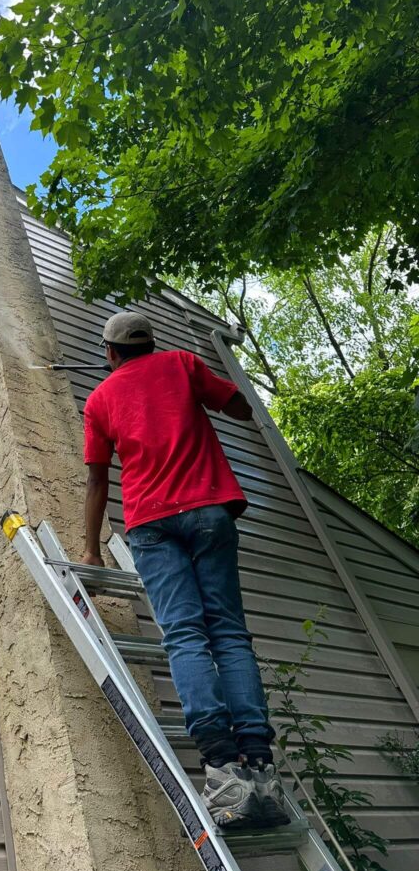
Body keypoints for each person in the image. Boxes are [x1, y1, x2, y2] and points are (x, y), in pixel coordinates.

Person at [80, 311, 288, 831]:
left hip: (152, 523)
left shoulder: (100, 400)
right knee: (229, 633)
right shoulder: (183, 364)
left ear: (110, 353)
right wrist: (217, 393)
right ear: (150, 343)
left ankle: (221, 768)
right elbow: (239, 408)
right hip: (210, 512)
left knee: (185, 635)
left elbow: (97, 484)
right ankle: (260, 769)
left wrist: (90, 549)